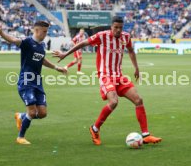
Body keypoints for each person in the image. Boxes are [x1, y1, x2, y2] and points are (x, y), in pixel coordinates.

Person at [53, 16, 162, 145]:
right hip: (105, 75)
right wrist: (65, 54)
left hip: (119, 76)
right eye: (115, 27)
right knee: (114, 101)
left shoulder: (126, 37)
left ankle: (145, 135)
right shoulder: (102, 36)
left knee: (138, 100)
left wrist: (136, 68)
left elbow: (131, 51)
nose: (118, 30)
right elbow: (83, 43)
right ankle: (95, 129)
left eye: (120, 28)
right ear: (111, 27)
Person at [0, 21, 67, 145]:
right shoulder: (27, 42)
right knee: (32, 112)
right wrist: (1, 33)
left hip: (37, 82)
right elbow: (14, 40)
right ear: (37, 30)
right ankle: (20, 137)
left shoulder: (41, 45)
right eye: (44, 31)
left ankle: (21, 116)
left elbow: (42, 60)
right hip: (26, 82)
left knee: (42, 113)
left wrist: (56, 68)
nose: (46, 34)